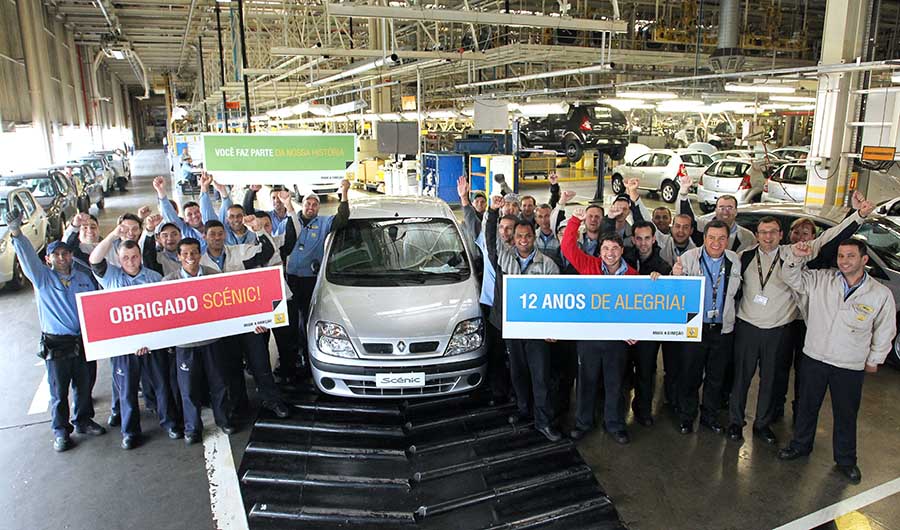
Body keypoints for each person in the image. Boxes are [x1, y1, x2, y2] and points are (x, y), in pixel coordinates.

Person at [726, 203, 869, 445]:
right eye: (763, 232)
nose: (768, 236)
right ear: (757, 234)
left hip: (779, 329)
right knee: (741, 378)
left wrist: (859, 215)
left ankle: (762, 424)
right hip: (747, 327)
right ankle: (735, 422)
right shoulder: (745, 255)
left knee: (770, 381)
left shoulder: (796, 252)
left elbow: (829, 238)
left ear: (780, 234)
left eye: (772, 232)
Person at [777, 238, 896, 484]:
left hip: (849, 364)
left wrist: (875, 358)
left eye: (851, 256)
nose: (844, 261)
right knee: (807, 406)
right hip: (815, 357)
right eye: (841, 256)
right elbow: (790, 277)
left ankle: (846, 461)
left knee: (846, 414)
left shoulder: (879, 294)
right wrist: (797, 257)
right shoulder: (822, 279)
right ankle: (800, 445)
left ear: (864, 260)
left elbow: (885, 329)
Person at [5, 210, 105, 452]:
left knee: (84, 384)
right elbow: (28, 258)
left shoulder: (83, 277)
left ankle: (83, 420)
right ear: (48, 259)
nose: (61, 257)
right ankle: (61, 431)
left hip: (83, 341)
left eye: (65, 253)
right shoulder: (42, 278)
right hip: (57, 344)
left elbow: (99, 303)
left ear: (71, 255)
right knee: (59, 391)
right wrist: (16, 233)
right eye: (56, 254)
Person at [89, 223, 181, 449]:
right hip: (124, 348)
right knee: (127, 390)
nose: (130, 261)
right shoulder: (110, 276)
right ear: (119, 260)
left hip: (152, 346)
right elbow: (94, 259)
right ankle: (130, 431)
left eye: (134, 256)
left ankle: (169, 423)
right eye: (125, 257)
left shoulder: (153, 277)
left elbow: (162, 312)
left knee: (161, 386)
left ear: (140, 257)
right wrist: (113, 235)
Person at [484, 196, 562, 442]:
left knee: (540, 378)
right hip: (514, 330)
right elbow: (491, 241)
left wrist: (552, 327)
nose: (524, 240)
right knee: (517, 374)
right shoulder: (505, 258)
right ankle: (524, 412)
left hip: (538, 333)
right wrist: (492, 212)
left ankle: (543, 421)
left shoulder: (548, 265)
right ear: (514, 239)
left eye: (528, 236)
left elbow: (557, 300)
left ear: (533, 237)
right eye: (519, 237)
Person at [561, 208, 638, 444]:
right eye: (606, 248)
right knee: (586, 382)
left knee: (615, 384)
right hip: (589, 338)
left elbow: (641, 308)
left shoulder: (634, 276)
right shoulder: (589, 266)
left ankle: (614, 424)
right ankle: (584, 423)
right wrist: (575, 220)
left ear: (621, 251)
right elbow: (567, 248)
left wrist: (637, 332)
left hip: (617, 341)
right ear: (600, 251)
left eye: (615, 249)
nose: (610, 253)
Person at [671, 220, 742, 435]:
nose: (716, 242)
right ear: (704, 238)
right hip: (695, 328)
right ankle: (686, 416)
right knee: (690, 375)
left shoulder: (734, 261)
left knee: (716, 377)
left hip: (722, 329)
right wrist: (676, 276)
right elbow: (676, 294)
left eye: (722, 238)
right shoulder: (688, 258)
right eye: (712, 237)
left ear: (727, 240)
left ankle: (709, 416)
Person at [164, 238, 234, 444]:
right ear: (178, 257)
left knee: (219, 383)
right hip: (185, 346)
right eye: (185, 254)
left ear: (200, 253)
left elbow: (227, 305)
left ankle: (224, 420)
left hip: (212, 341)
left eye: (194, 253)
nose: (190, 257)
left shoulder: (214, 276)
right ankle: (192, 428)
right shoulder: (168, 282)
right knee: (188, 389)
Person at [285, 180, 351, 372]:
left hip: (309, 280)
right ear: (302, 205)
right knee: (289, 320)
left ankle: (307, 356)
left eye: (315, 205)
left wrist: (344, 193)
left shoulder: (323, 223)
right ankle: (290, 358)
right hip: (289, 279)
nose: (311, 207)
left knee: (307, 318)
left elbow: (342, 218)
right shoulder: (291, 221)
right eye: (308, 204)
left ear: (318, 208)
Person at [616, 218, 672, 426]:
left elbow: (668, 300)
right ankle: (619, 411)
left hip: (648, 332)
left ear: (654, 239)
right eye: (638, 238)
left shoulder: (662, 266)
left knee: (646, 372)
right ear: (633, 239)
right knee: (621, 372)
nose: (643, 243)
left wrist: (663, 281)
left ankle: (643, 410)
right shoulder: (624, 261)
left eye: (647, 238)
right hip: (623, 328)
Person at [676, 173, 755, 252]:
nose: (725, 211)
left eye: (729, 207)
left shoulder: (748, 237)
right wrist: (683, 192)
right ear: (715, 210)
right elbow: (687, 219)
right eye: (721, 207)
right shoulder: (703, 227)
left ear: (736, 211)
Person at [200, 174, 258, 245]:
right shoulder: (223, 232)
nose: (236, 219)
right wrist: (204, 189)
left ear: (245, 216)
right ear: (227, 219)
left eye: (239, 216)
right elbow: (208, 217)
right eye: (231, 217)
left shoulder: (253, 231)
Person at [153, 175, 206, 242]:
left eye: (197, 212)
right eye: (189, 214)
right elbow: (170, 215)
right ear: (185, 219)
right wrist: (161, 191)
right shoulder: (184, 230)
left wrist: (204, 187)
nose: (194, 216)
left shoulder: (212, 226)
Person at [533, 203, 561, 267]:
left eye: (547, 216)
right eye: (540, 216)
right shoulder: (532, 237)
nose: (543, 220)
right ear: (536, 220)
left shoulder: (560, 237)